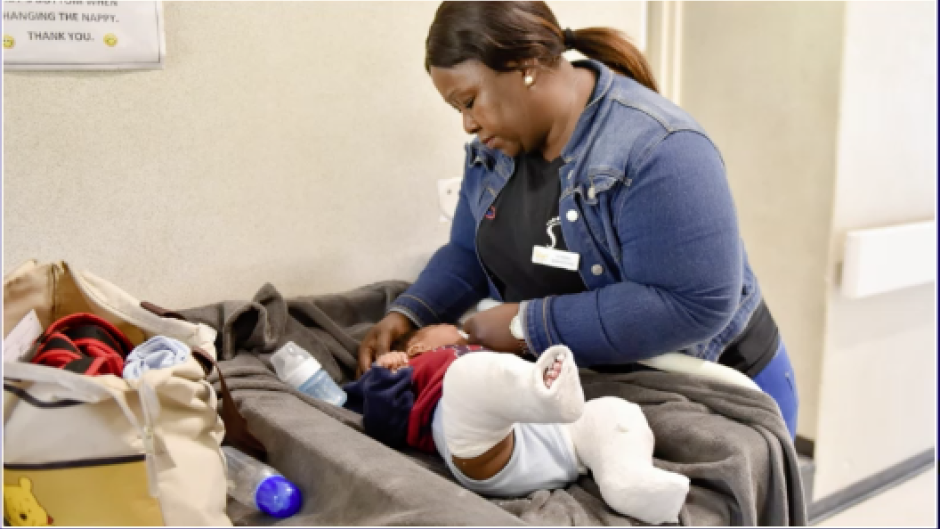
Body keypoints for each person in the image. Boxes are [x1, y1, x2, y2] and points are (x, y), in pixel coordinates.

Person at [357, 0, 799, 439]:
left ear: (525, 65)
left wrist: (517, 326)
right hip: (591, 390)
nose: (468, 126)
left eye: (470, 101)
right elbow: (467, 252)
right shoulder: (492, 154)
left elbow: (690, 303)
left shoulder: (662, 149)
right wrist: (410, 313)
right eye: (459, 110)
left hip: (715, 389)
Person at [345, 324, 690, 525]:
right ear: (420, 344)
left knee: (614, 411)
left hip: (559, 439)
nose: (464, 332)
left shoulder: (480, 353)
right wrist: (385, 375)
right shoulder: (415, 367)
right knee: (468, 377)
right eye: (454, 329)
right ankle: (542, 391)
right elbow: (383, 423)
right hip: (490, 449)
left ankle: (630, 481)